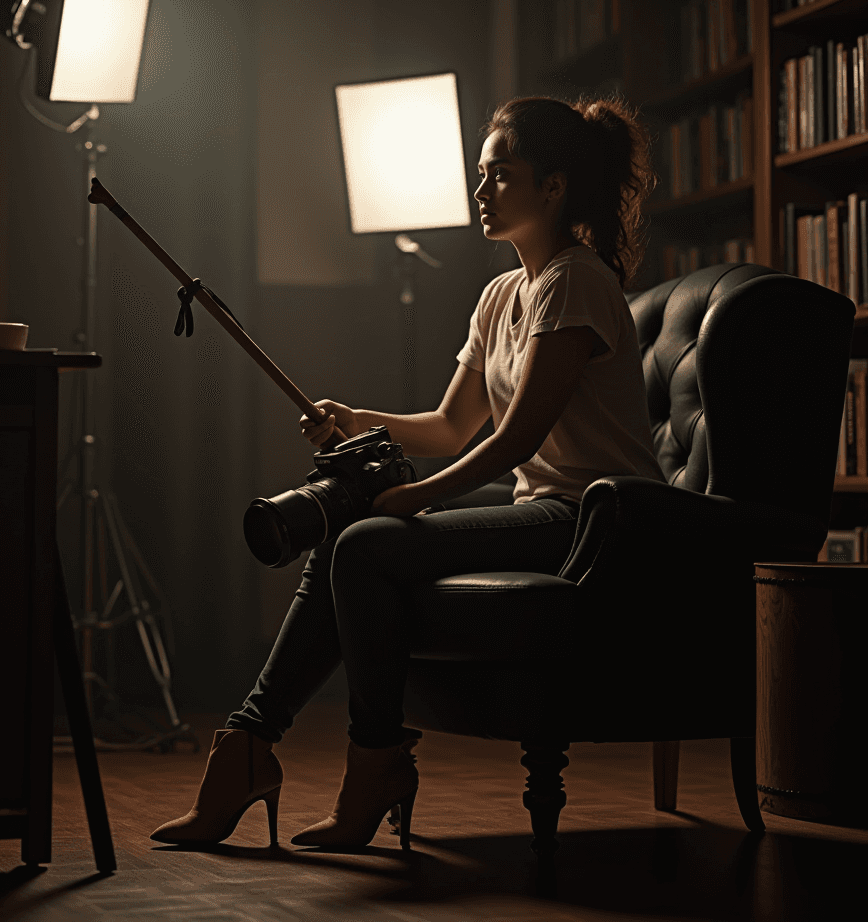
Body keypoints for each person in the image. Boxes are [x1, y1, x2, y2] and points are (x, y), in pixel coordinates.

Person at [149, 94, 664, 850]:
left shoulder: (576, 280)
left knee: (367, 538)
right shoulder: (500, 296)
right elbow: (451, 426)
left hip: (595, 521)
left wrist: (413, 498)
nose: (481, 191)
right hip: (543, 508)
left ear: (552, 188)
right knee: (346, 530)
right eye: (480, 175)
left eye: (500, 176)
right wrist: (356, 418)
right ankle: (252, 745)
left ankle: (370, 762)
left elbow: (516, 440)